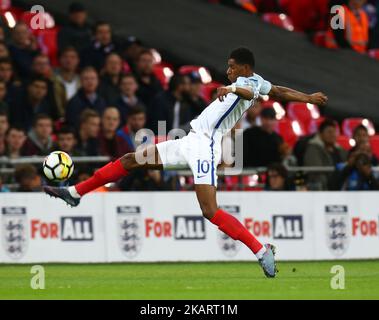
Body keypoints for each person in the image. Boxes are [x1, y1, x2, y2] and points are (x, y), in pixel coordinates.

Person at [44, 47, 328, 278]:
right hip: (190, 140)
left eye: (231, 66)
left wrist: (230, 90)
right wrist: (308, 99)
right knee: (132, 159)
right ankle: (75, 193)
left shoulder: (248, 84)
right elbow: (277, 91)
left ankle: (260, 250)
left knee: (209, 210)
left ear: (244, 67)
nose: (228, 71)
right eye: (228, 68)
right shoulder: (255, 83)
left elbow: (248, 92)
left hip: (206, 147)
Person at [303, 118, 347, 190]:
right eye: (329, 132)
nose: (332, 135)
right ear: (320, 134)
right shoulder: (313, 149)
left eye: (334, 132)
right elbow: (316, 171)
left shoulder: (340, 150)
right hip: (323, 188)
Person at [53, 47, 81, 117]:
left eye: (73, 57)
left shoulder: (82, 81)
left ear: (78, 60)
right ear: (60, 59)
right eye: (65, 57)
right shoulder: (52, 79)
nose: (69, 60)